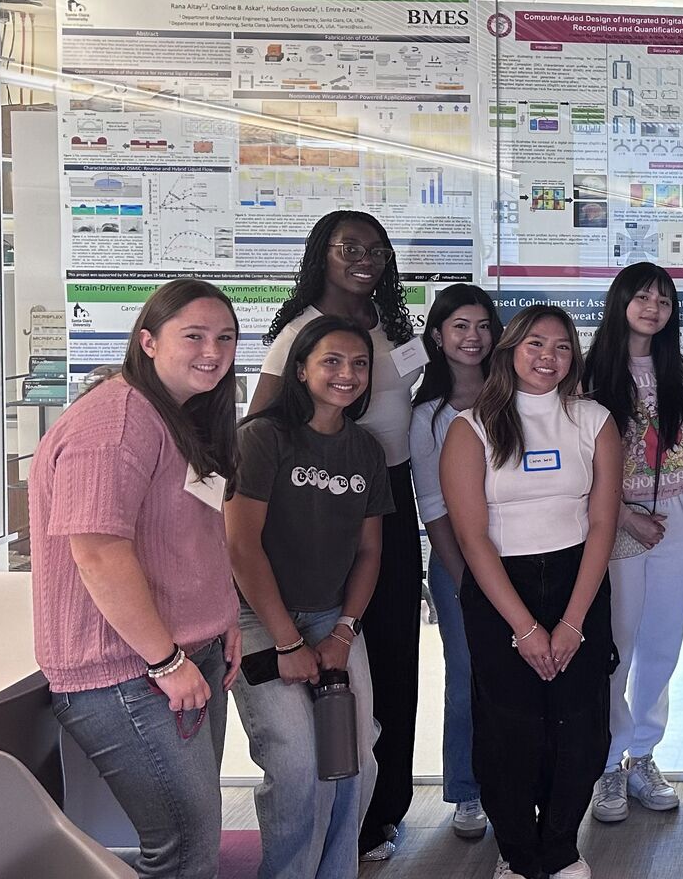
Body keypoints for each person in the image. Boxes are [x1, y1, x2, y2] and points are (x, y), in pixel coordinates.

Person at [30, 279, 242, 879]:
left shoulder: (176, 414)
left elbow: (192, 533)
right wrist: (166, 661)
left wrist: (221, 617)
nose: (212, 351)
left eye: (224, 338)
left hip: (178, 657)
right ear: (147, 342)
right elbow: (98, 553)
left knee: (195, 841)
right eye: (193, 336)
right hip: (130, 671)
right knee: (183, 848)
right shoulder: (115, 422)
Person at [252, 210, 424, 862]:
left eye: (376, 248)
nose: (365, 257)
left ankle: (379, 814)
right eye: (348, 246)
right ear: (319, 254)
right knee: (336, 666)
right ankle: (325, 819)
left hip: (389, 499)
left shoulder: (391, 326)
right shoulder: (299, 332)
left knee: (392, 659)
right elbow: (261, 434)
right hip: (323, 510)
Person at [441, 305, 622, 879]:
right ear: (510, 351)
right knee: (509, 726)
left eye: (563, 346)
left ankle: (562, 845)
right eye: (536, 344)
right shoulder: (470, 426)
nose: (549, 356)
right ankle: (518, 851)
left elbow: (602, 524)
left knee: (580, 722)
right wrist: (524, 627)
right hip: (501, 589)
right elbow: (471, 537)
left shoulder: (595, 419)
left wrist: (572, 622)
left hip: (578, 579)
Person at [227, 316, 389, 879]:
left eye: (359, 363)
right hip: (256, 619)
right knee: (297, 766)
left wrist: (343, 632)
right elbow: (241, 546)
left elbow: (370, 553)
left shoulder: (366, 449)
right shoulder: (262, 438)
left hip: (331, 619)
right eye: (332, 361)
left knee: (355, 761)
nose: (347, 374)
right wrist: (287, 639)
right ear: (301, 369)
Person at [581, 264, 683, 824]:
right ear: (620, 301)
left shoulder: (678, 369)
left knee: (664, 643)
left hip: (678, 517)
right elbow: (577, 463)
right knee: (616, 646)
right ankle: (606, 762)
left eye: (664, 299)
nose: (653, 306)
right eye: (643, 296)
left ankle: (643, 756)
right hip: (615, 522)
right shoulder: (590, 373)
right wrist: (624, 515)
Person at [409, 283, 504, 840]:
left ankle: (514, 783)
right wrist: (468, 578)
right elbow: (434, 507)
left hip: (521, 559)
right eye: (460, 327)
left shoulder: (515, 399)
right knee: (468, 674)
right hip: (459, 567)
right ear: (438, 338)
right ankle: (468, 791)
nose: (473, 338)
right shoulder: (429, 415)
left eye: (483, 326)